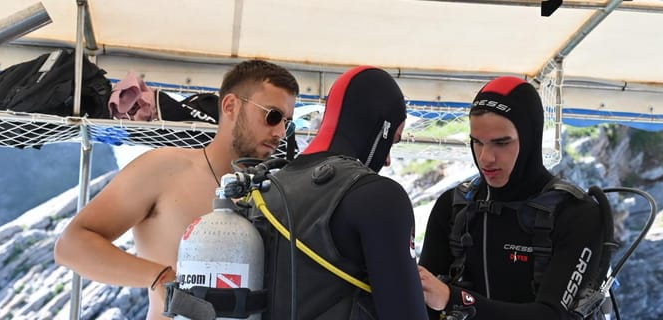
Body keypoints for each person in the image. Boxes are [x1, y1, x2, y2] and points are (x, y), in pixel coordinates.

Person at [53, 59, 300, 320]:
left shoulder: (276, 191)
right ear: (230, 106)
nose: (280, 132)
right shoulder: (165, 168)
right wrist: (160, 277)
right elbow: (71, 245)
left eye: (287, 122)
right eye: (272, 116)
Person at [417, 76, 605, 319]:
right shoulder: (454, 207)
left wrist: (454, 299)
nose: (486, 158)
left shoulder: (576, 214)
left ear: (530, 139)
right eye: (477, 142)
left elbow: (553, 315)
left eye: (501, 143)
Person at [257, 66, 428, 319]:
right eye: (392, 140)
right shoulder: (378, 196)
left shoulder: (267, 188)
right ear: (381, 129)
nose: (388, 160)